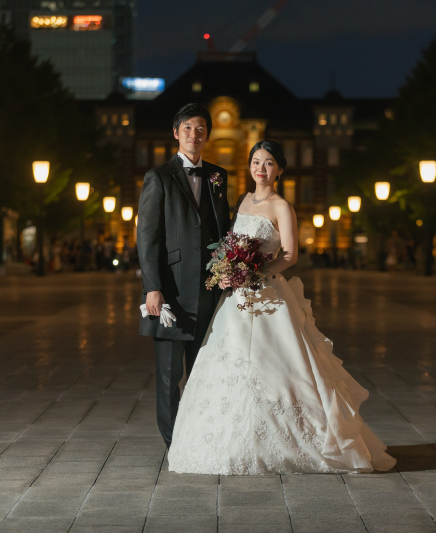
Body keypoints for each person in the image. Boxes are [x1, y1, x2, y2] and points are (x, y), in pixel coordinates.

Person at [168, 140, 396, 474]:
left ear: (280, 169)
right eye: (256, 161)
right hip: (236, 300)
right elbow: (230, 245)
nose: (261, 168)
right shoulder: (243, 201)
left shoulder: (282, 206)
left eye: (269, 163)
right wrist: (228, 272)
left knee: (279, 366)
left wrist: (251, 272)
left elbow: (289, 255)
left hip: (267, 294)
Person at [137, 103, 231, 449]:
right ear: (176, 133)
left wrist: (230, 270)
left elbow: (223, 230)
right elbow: (146, 237)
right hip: (171, 292)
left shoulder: (218, 177)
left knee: (204, 369)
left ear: (208, 135)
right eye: (188, 128)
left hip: (208, 291)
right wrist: (153, 288)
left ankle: (201, 437)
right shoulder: (158, 177)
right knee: (169, 374)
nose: (195, 135)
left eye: (201, 129)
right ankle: (174, 443)